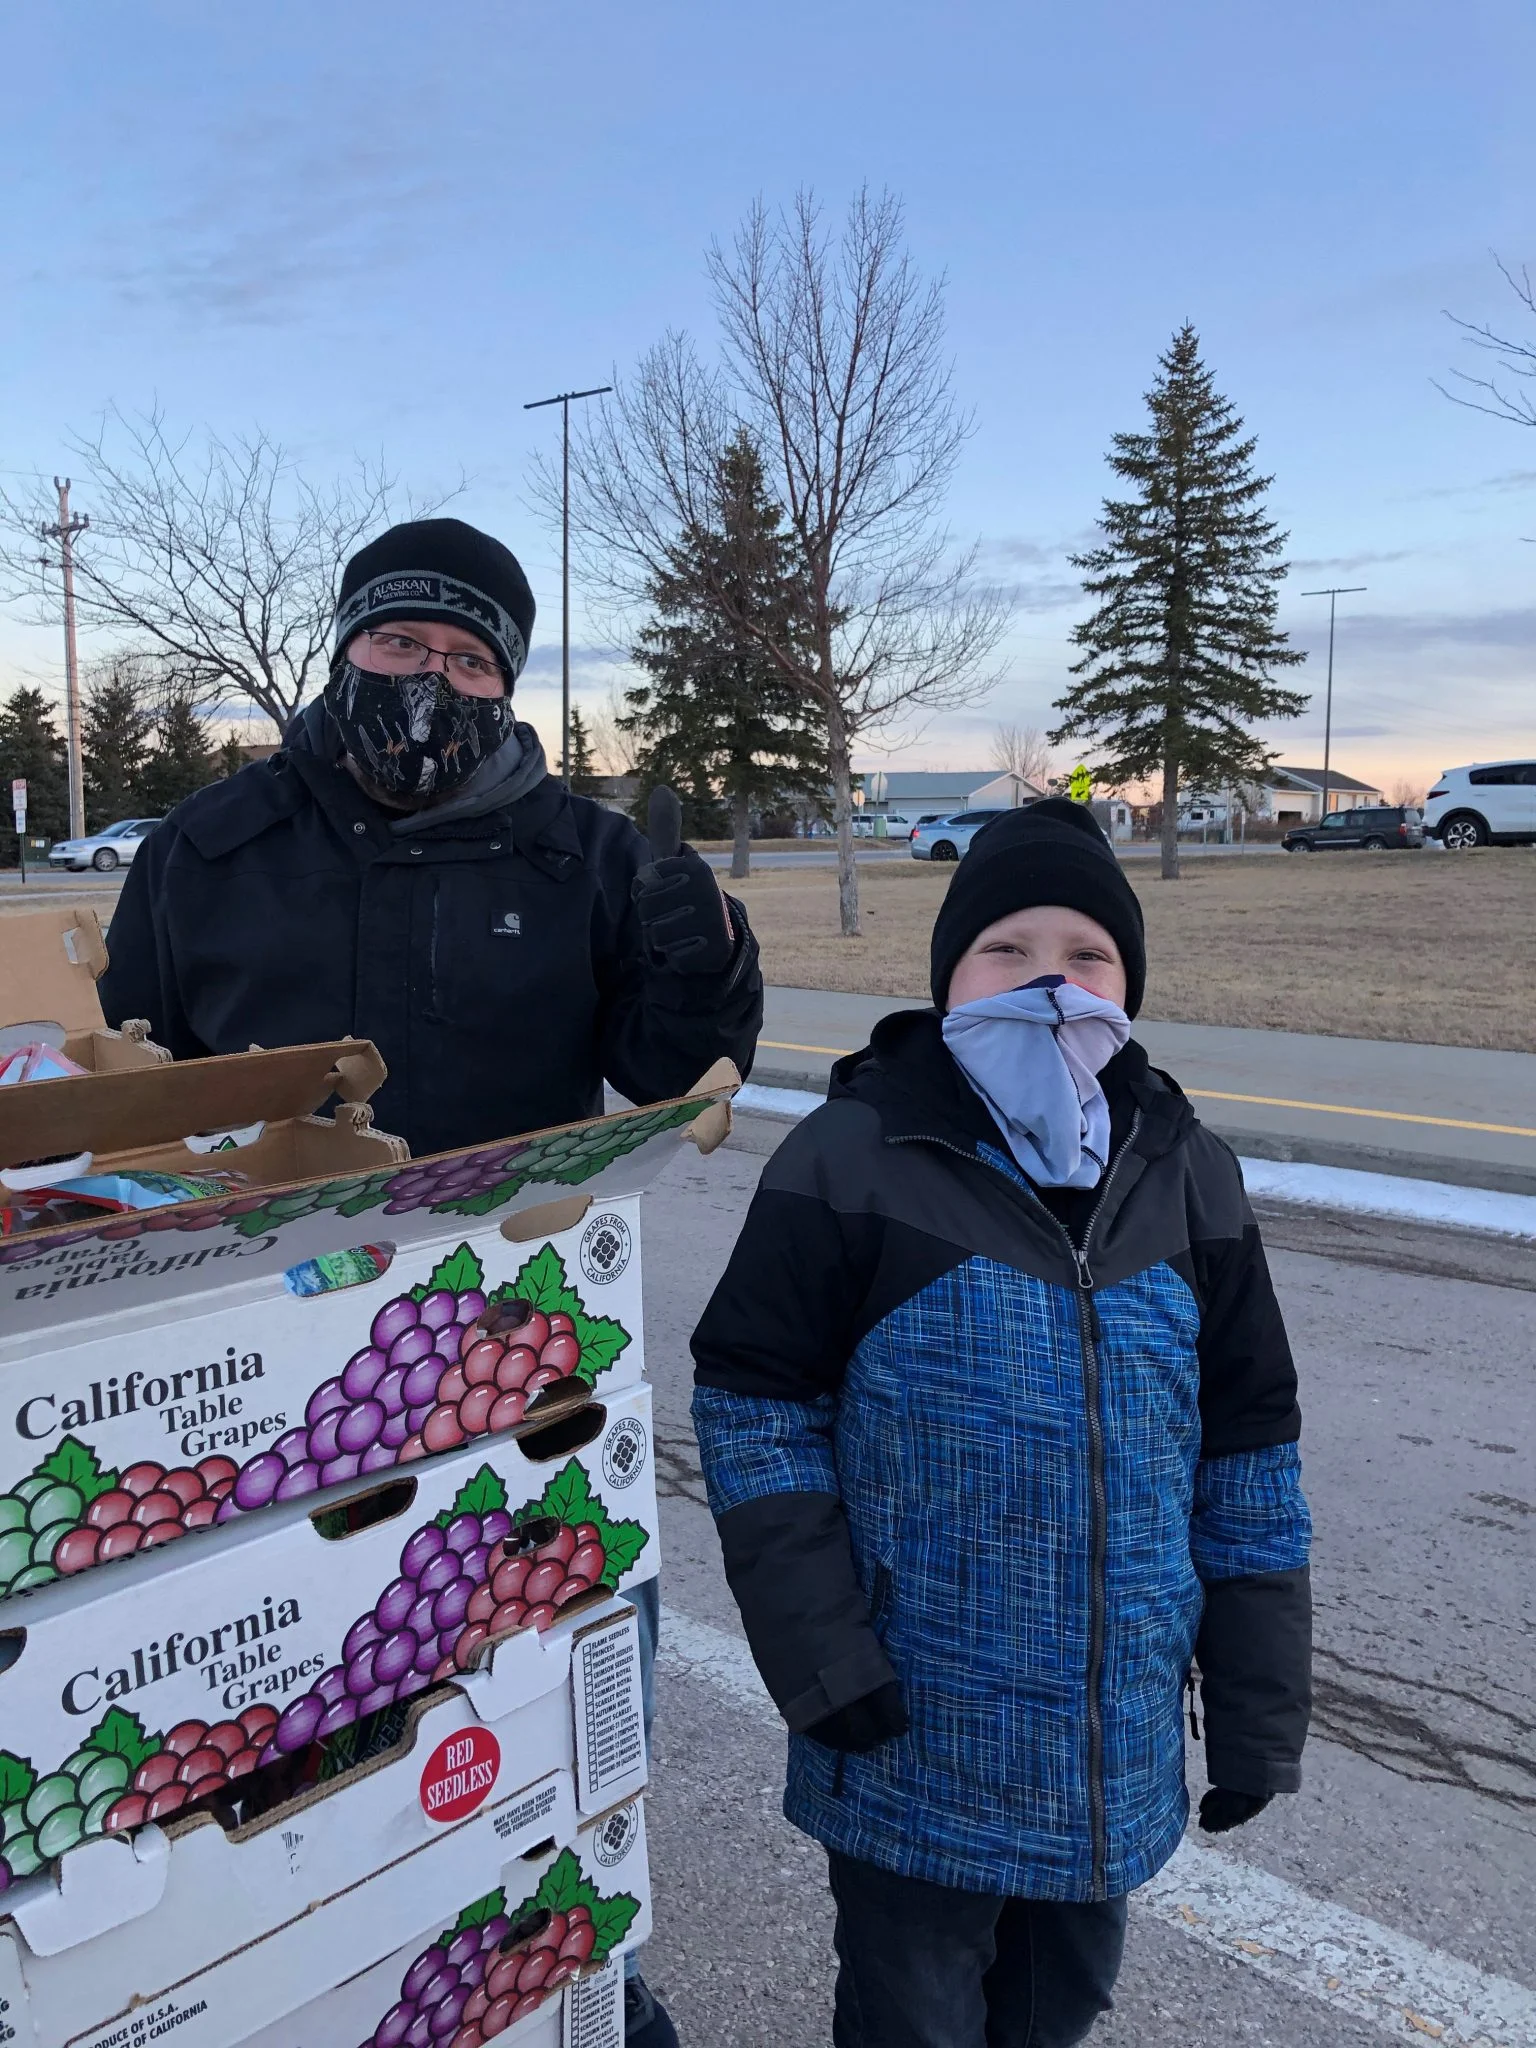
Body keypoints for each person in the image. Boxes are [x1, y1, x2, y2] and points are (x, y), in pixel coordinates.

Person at [100, 515, 762, 2048]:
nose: (430, 679)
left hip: (522, 1379)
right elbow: (123, 1108)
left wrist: (709, 963)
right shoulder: (208, 847)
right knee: (288, 1749)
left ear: (508, 683)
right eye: (403, 641)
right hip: (268, 1399)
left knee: (552, 1711)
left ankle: (581, 1970)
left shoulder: (585, 856)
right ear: (347, 644)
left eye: (469, 658)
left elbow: (673, 1082)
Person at [689, 799, 1312, 2048]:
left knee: (1056, 2007)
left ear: (1128, 984)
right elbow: (755, 1406)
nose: (1046, 984)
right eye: (1006, 950)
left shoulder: (1187, 1168)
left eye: (1086, 956)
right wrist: (823, 1658)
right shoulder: (852, 1154)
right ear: (949, 977)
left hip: (1109, 1748)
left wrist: (1257, 1705)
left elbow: (1249, 1446)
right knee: (911, 2017)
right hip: (911, 1735)